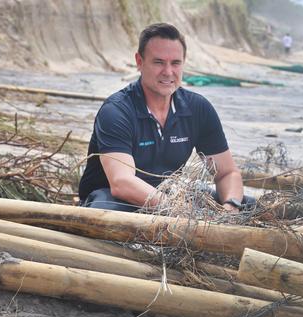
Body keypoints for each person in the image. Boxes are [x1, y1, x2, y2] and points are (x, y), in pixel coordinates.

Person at [78, 23, 246, 213]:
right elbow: (121, 183)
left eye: (175, 63)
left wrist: (231, 207)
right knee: (103, 208)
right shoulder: (117, 111)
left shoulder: (198, 108)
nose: (168, 72)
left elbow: (227, 173)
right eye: (158, 62)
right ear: (139, 62)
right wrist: (182, 211)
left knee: (245, 203)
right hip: (115, 200)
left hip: (166, 196)